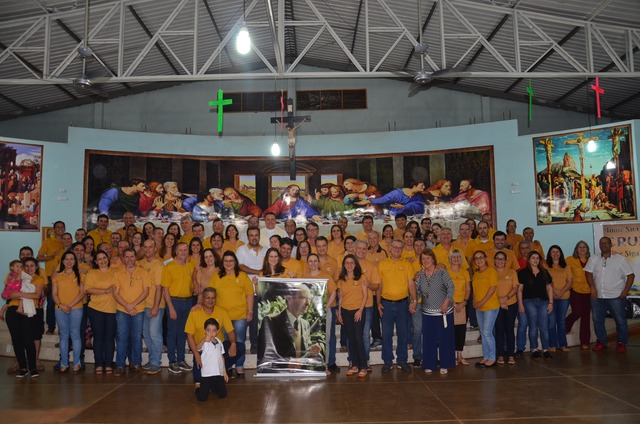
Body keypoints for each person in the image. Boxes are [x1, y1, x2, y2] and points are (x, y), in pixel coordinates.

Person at [585, 237, 634, 352]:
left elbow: (631, 275)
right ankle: (601, 341)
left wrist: (626, 291)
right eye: (601, 243)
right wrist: (592, 287)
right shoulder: (594, 258)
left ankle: (621, 343)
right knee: (597, 320)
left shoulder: (620, 259)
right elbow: (588, 273)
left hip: (616, 297)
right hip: (598, 297)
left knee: (620, 320)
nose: (604, 245)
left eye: (606, 243)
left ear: (611, 245)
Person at [208, 251, 253, 377]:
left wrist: (250, 311)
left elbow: (249, 294)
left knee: (239, 342)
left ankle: (239, 366)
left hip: (239, 316)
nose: (228, 263)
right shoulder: (216, 276)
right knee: (224, 343)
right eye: (226, 261)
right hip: (221, 317)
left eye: (231, 261)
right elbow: (209, 293)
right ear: (222, 263)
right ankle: (226, 366)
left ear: (235, 262)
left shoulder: (243, 276)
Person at [377, 238, 417, 373]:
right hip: (386, 304)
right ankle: (387, 361)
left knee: (403, 334)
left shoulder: (406, 264)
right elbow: (379, 285)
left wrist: (414, 300)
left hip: (403, 304)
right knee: (386, 334)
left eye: (400, 248)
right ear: (390, 248)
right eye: (395, 247)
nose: (397, 250)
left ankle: (402, 361)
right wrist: (378, 303)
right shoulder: (382, 264)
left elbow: (411, 284)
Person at [258, 283, 322, 365]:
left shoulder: (305, 324)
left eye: (309, 298)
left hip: (301, 375)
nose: (308, 303)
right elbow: (265, 355)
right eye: (303, 298)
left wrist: (311, 352)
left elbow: (303, 351)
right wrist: (288, 363)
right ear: (289, 298)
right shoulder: (270, 322)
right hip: (279, 375)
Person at [186, 287, 237, 387]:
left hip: (218, 348)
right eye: (207, 298)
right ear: (202, 298)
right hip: (201, 350)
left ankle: (221, 369)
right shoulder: (194, 312)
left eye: (213, 298)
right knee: (198, 378)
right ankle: (216, 371)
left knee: (240, 348)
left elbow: (231, 331)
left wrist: (233, 344)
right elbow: (189, 335)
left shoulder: (222, 311)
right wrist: (196, 354)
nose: (210, 301)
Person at [415, 249, 455, 374]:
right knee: (428, 339)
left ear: (433, 259)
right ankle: (429, 364)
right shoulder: (420, 275)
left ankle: (445, 364)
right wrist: (413, 301)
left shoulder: (441, 272)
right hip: (427, 313)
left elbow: (451, 287)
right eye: (423, 259)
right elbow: (417, 292)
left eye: (428, 258)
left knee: (445, 339)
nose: (425, 261)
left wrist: (446, 302)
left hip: (444, 312)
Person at [5, 257, 45, 378]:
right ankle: (23, 367)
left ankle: (32, 367)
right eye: (26, 266)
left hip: (28, 311)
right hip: (12, 311)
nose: (29, 268)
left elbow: (37, 295)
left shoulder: (39, 279)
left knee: (28, 340)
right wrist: (17, 294)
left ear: (36, 267)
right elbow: (8, 293)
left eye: (32, 266)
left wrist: (19, 294)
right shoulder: (15, 276)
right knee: (16, 341)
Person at [112, 249, 150, 376]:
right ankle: (120, 365)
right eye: (126, 257)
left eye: (132, 256)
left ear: (135, 258)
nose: (129, 259)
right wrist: (127, 306)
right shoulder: (118, 273)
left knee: (136, 337)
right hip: (122, 309)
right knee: (122, 337)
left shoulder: (144, 272)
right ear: (123, 259)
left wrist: (132, 305)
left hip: (138, 310)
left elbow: (146, 292)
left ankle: (136, 363)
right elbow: (115, 293)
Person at [162, 242, 195, 374]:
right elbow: (165, 289)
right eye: (180, 250)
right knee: (172, 333)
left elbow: (192, 284)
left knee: (183, 332)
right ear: (176, 251)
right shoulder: (169, 267)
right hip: (174, 302)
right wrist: (170, 307)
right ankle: (172, 361)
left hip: (187, 301)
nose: (183, 252)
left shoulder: (190, 266)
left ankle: (181, 359)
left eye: (185, 250)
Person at [302, 253, 337, 373]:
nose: (313, 263)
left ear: (318, 263)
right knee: (309, 340)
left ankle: (324, 366)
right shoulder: (304, 277)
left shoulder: (326, 276)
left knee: (324, 339)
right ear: (307, 263)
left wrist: (326, 307)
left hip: (324, 313)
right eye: (310, 261)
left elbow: (333, 292)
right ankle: (310, 365)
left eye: (315, 261)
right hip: (309, 315)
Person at [52, 251, 85, 374]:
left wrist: (69, 306)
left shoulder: (80, 275)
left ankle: (77, 363)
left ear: (75, 261)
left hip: (76, 308)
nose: (69, 261)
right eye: (66, 259)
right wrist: (61, 305)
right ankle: (64, 363)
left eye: (72, 259)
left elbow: (82, 293)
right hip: (60, 309)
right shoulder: (57, 276)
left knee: (75, 335)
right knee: (64, 336)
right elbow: (54, 293)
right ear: (63, 261)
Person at [84, 250, 116, 375]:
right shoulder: (92, 273)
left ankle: (108, 363)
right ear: (96, 262)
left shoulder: (115, 272)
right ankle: (98, 363)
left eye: (104, 258)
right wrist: (106, 291)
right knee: (98, 337)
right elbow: (89, 289)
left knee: (109, 338)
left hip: (112, 309)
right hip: (95, 309)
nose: (103, 260)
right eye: (99, 259)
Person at [336, 254, 369, 378]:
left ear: (355, 264)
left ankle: (363, 366)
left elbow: (365, 296)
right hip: (345, 312)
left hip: (358, 311)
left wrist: (360, 310)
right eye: (347, 263)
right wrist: (339, 312)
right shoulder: (341, 280)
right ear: (344, 265)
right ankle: (354, 365)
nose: (349, 265)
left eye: (352, 263)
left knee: (359, 338)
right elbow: (341, 297)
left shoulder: (361, 277)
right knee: (351, 339)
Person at [518, 251, 554, 360]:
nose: (535, 260)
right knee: (533, 327)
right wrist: (520, 304)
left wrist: (551, 302)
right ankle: (534, 349)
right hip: (529, 302)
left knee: (544, 327)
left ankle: (545, 349)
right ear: (529, 259)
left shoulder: (544, 272)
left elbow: (549, 288)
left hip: (543, 302)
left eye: (537, 258)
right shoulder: (523, 272)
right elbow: (520, 290)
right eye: (533, 258)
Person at [235, 227, 266, 353]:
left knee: (262, 321)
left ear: (259, 236)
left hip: (263, 291)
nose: (254, 237)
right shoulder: (241, 250)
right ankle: (252, 346)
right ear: (247, 237)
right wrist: (259, 272)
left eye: (256, 235)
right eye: (251, 235)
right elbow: (241, 266)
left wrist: (262, 273)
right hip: (246, 292)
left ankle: (261, 345)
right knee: (250, 320)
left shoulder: (266, 250)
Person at [138, 239, 165, 375]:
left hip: (156, 306)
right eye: (145, 246)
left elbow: (159, 289)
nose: (148, 249)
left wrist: (155, 307)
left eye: (150, 247)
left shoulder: (158, 265)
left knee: (155, 334)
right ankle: (151, 359)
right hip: (143, 306)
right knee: (147, 335)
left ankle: (156, 362)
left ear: (155, 249)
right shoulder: (140, 264)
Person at [471, 250, 499, 368]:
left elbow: (492, 289)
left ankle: (492, 357)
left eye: (481, 257)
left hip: (490, 307)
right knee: (483, 332)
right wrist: (474, 301)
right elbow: (475, 290)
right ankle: (486, 356)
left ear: (485, 258)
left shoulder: (491, 271)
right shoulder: (476, 274)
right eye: (476, 258)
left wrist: (482, 302)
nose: (479, 260)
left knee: (487, 332)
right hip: (479, 308)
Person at [37, 220, 65, 334]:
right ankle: (51, 326)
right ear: (54, 229)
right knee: (51, 302)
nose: (60, 229)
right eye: (57, 227)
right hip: (51, 276)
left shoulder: (66, 242)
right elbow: (39, 258)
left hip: (65, 276)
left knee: (63, 301)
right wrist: (51, 257)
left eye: (62, 227)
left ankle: (62, 327)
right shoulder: (48, 242)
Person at [193, 318, 229, 402]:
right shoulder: (204, 343)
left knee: (223, 394)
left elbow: (222, 357)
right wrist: (204, 340)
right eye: (208, 330)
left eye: (213, 330)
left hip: (218, 373)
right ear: (205, 331)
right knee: (202, 398)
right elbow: (197, 348)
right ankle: (198, 389)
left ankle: (213, 387)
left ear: (217, 332)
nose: (211, 333)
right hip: (207, 374)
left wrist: (224, 372)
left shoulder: (219, 342)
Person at [545, 245, 573, 352]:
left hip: (564, 297)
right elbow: (546, 281)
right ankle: (552, 345)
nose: (555, 254)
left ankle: (563, 344)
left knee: (561, 321)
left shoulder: (566, 266)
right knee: (551, 322)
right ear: (549, 254)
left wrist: (561, 291)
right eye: (553, 252)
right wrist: (555, 291)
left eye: (557, 251)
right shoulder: (546, 266)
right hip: (550, 297)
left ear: (560, 253)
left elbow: (570, 281)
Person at [565, 241, 592, 350]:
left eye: (584, 247)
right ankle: (566, 327)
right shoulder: (570, 260)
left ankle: (585, 341)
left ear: (587, 249)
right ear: (576, 249)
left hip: (588, 291)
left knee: (586, 317)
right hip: (575, 290)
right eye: (579, 247)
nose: (582, 249)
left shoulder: (592, 260)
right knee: (577, 312)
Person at [494, 251, 519, 365]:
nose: (500, 261)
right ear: (494, 261)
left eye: (502, 259)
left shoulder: (512, 272)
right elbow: (490, 289)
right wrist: (500, 301)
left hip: (511, 304)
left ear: (505, 260)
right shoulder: (491, 272)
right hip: (496, 305)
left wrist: (506, 298)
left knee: (509, 329)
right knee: (499, 330)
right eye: (498, 259)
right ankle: (500, 354)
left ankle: (510, 354)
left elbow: (515, 287)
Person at [446, 249, 470, 365]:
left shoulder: (465, 272)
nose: (456, 259)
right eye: (453, 257)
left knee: (461, 331)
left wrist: (464, 302)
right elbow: (444, 289)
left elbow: (468, 289)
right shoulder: (446, 272)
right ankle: (452, 356)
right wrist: (453, 303)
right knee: (450, 331)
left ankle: (460, 356)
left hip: (462, 305)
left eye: (458, 257)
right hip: (450, 305)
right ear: (450, 259)